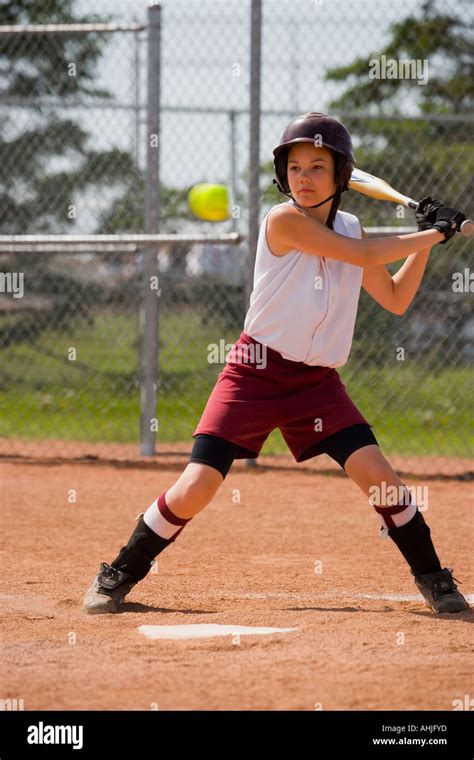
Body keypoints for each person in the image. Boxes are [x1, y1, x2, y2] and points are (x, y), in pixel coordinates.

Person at [83, 112, 469, 615]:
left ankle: (435, 580)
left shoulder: (351, 228)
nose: (303, 178)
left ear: (341, 178)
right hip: (254, 373)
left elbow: (394, 296)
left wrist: (423, 243)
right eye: (294, 167)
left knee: (380, 477)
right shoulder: (282, 221)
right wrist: (436, 234)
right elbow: (365, 253)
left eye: (317, 167)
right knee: (197, 486)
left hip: (317, 383)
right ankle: (119, 572)